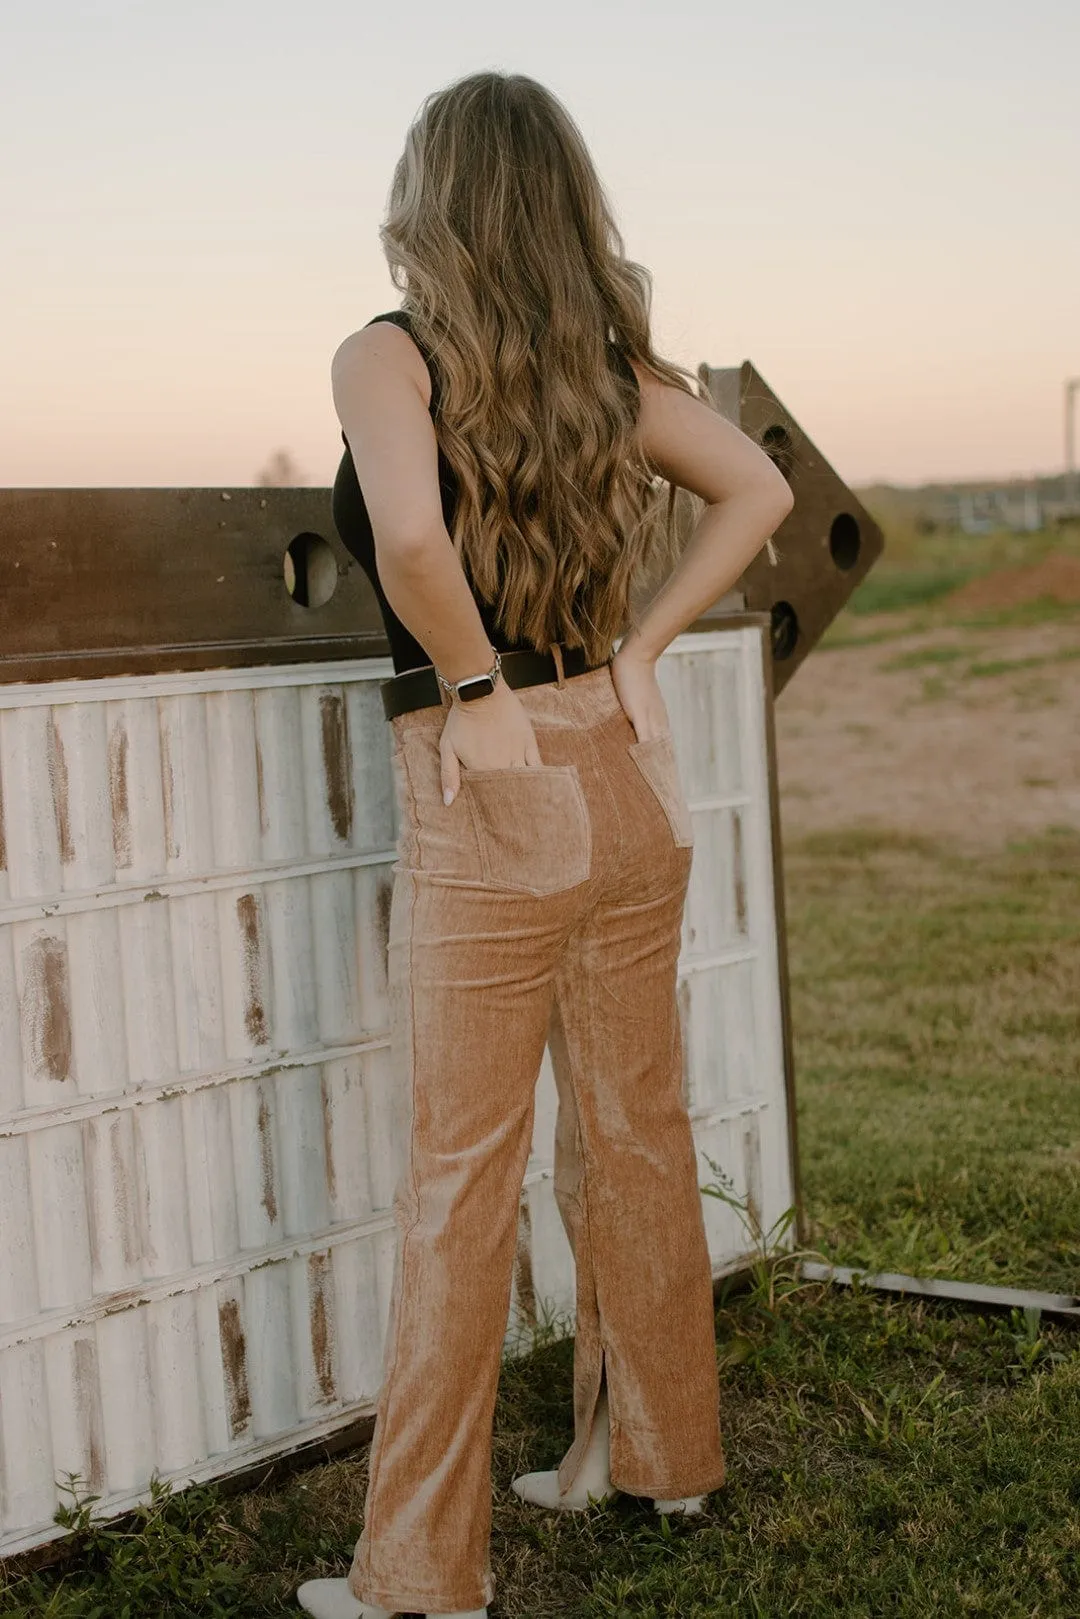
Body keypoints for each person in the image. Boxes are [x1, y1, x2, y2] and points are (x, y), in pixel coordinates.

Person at [297, 69, 793, 1619]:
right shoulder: (601, 366)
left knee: (462, 1181)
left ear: (430, 192)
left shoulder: (388, 353)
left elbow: (414, 540)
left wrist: (471, 686)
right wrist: (639, 655)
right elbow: (760, 488)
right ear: (561, 198)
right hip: (623, 775)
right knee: (635, 1132)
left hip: (492, 770)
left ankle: (420, 1577)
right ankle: (658, 1457)